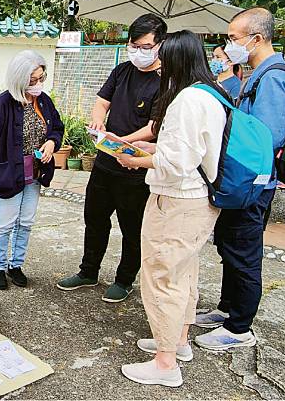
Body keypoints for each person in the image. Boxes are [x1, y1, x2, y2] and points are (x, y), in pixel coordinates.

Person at [116, 30, 229, 387]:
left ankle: (165, 364)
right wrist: (147, 152)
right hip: (200, 200)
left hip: (178, 199)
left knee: (162, 277)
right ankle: (177, 342)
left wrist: (136, 160)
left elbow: (176, 161)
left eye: (164, 56)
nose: (158, 63)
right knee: (184, 273)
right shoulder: (213, 94)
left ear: (177, 59)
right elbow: (191, 153)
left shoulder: (186, 100)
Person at [194, 8, 285, 350]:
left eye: (234, 38)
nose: (229, 45)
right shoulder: (259, 73)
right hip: (244, 181)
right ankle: (227, 308)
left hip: (253, 184)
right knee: (229, 244)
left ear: (256, 38)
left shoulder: (273, 79)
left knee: (244, 252)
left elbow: (264, 138)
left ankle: (239, 328)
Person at [56, 14, 167, 302]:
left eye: (145, 46)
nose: (138, 52)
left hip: (135, 166)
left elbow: (154, 127)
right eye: (134, 44)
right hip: (105, 162)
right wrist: (98, 123)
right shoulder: (121, 71)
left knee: (132, 228)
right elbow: (101, 102)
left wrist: (123, 141)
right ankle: (88, 271)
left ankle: (124, 279)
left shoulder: (165, 81)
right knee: (94, 218)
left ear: (160, 46)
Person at [0, 50, 64, 290]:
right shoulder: (0, 105)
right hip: (8, 172)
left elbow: (57, 127)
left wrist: (52, 142)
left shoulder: (43, 101)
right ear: (19, 78)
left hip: (35, 172)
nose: (38, 85)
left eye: (41, 78)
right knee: (5, 222)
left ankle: (16, 265)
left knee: (26, 222)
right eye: (32, 80)